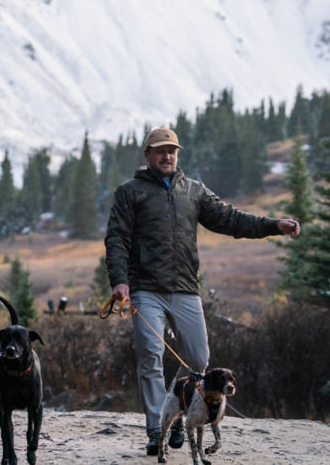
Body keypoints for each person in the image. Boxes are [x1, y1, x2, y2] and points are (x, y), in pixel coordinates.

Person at [104, 127, 299, 456]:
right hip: (144, 289)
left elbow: (231, 219)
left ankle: (177, 410)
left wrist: (273, 225)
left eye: (172, 150)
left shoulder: (193, 191)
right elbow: (117, 239)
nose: (167, 156)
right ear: (147, 155)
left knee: (198, 360)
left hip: (184, 288)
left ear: (178, 154)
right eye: (160, 150)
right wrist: (120, 281)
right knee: (150, 353)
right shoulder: (130, 192)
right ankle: (156, 429)